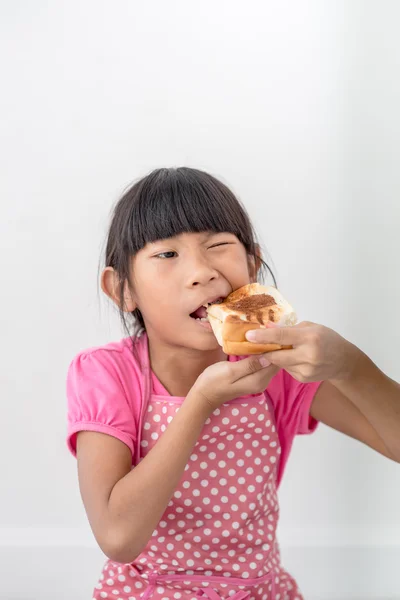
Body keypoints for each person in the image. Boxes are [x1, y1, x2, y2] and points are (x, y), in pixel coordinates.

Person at [66, 167, 400, 600]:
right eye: (167, 255)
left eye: (219, 245)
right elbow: (118, 537)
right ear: (122, 290)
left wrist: (350, 366)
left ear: (252, 266)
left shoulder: (277, 366)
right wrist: (200, 402)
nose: (202, 272)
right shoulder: (107, 375)